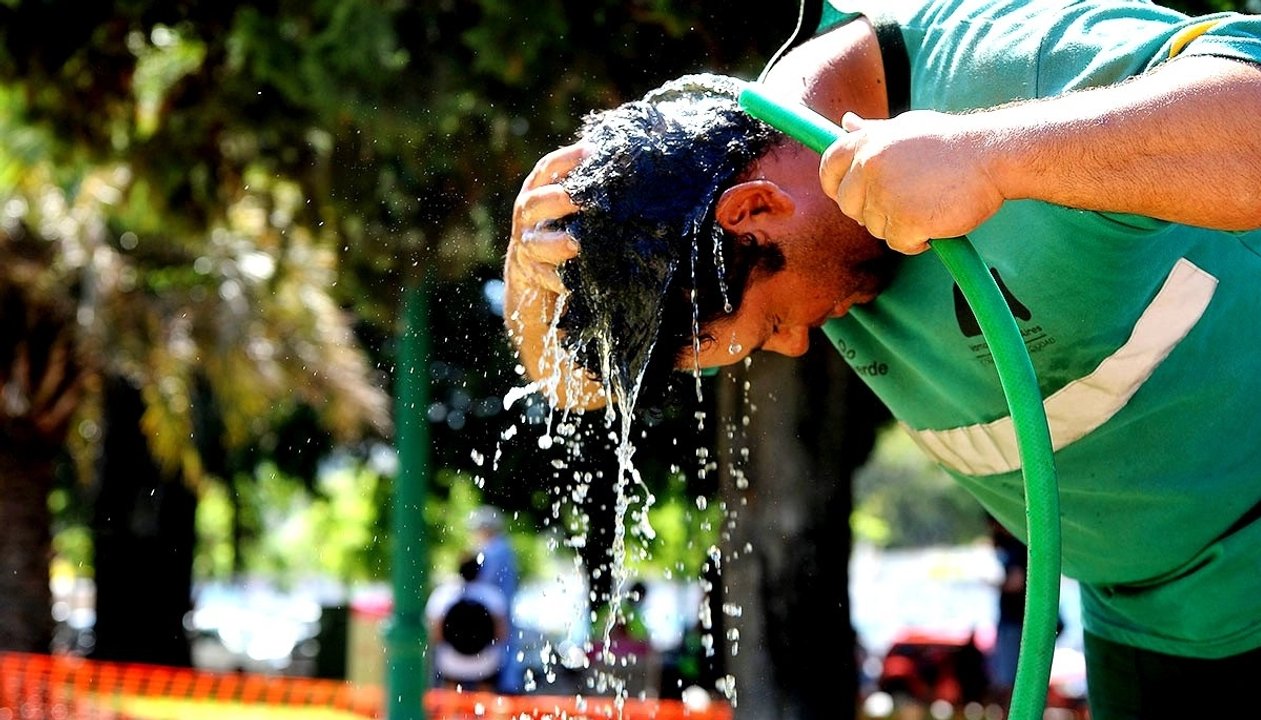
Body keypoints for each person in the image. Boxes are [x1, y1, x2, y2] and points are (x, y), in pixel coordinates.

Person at [501, 0, 1261, 717]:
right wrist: (528, 271)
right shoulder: (767, 218)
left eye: (771, 325)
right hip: (1153, 626)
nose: (798, 345)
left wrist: (993, 157)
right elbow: (573, 388)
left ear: (756, 209)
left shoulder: (999, 62)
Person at [424, 553, 509, 691]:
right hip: (486, 664)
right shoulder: (493, 595)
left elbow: (435, 635)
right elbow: (501, 634)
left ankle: (450, 702)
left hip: (450, 664)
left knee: (449, 695)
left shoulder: (443, 595)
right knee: (486, 695)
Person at [467, 506, 524, 694]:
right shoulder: (505, 549)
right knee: (506, 646)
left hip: (493, 609)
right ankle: (508, 685)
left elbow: (484, 580)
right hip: (501, 607)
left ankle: (504, 686)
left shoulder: (492, 551)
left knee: (497, 648)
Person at [987, 514, 1027, 712]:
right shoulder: (1011, 546)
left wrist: (991, 584)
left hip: (1016, 623)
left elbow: (1016, 582)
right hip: (1012, 622)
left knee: (1013, 680)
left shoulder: (1018, 546)